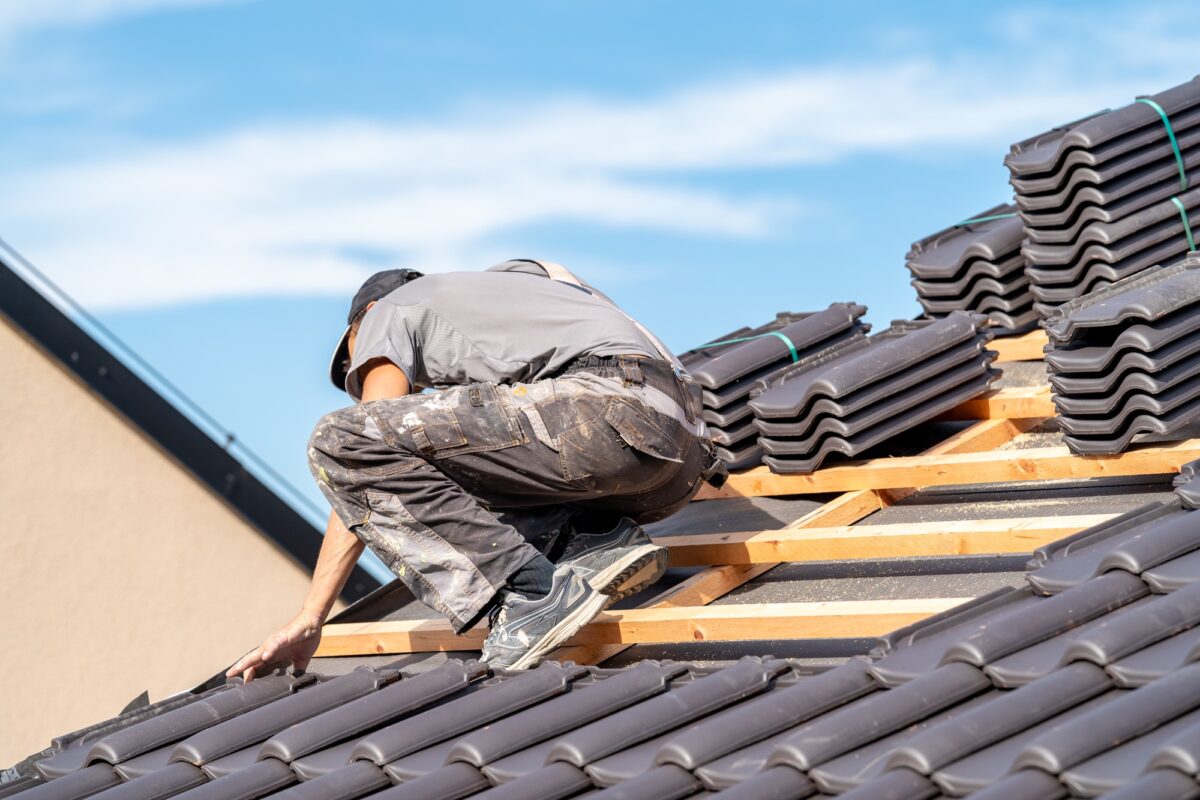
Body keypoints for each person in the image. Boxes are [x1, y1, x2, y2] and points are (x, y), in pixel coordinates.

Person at [227, 259, 724, 677]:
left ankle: (532, 593)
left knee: (343, 439)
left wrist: (311, 615)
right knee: (450, 443)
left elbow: (361, 456)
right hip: (674, 465)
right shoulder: (517, 292)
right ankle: (591, 540)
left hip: (608, 415)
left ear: (367, 317)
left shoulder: (392, 311)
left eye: (357, 359)